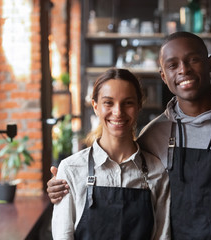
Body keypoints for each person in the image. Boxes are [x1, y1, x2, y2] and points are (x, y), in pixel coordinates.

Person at [48, 32, 211, 239]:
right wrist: (64, 184)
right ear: (164, 76)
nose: (183, 70)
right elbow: (122, 175)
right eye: (172, 65)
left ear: (210, 63)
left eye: (193, 59)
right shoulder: (155, 134)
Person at [51, 68, 170, 240]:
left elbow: (162, 236)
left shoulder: (157, 171)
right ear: (95, 106)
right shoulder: (71, 169)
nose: (118, 112)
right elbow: (63, 235)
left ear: (138, 106)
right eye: (108, 102)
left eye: (128, 103)